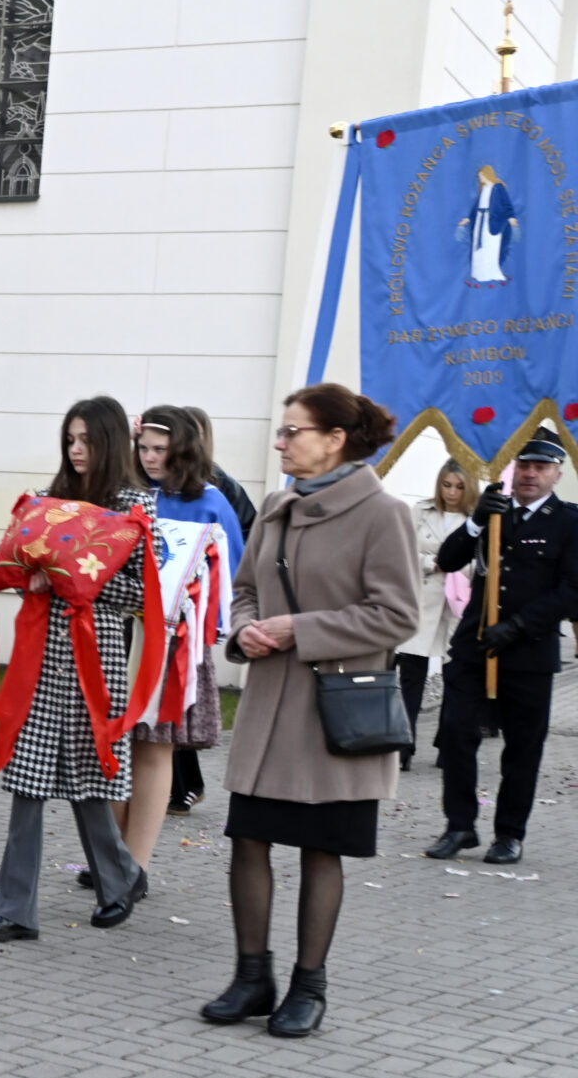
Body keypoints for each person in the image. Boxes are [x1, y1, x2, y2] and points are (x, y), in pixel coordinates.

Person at [200, 385, 417, 1037]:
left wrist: (300, 629)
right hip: (269, 710)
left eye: (293, 431)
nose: (281, 442)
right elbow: (244, 589)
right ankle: (251, 977)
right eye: (282, 430)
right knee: (249, 838)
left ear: (336, 439)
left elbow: (396, 614)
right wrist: (245, 630)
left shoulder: (383, 514)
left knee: (323, 849)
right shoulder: (276, 505)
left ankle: (308, 986)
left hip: (336, 713)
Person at [0, 396, 152, 943]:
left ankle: (119, 880)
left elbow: (142, 591)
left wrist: (76, 583)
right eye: (70, 439)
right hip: (41, 654)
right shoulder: (49, 499)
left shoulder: (135, 506)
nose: (75, 450)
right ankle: (14, 911)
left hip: (95, 658)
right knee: (26, 780)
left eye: (86, 440)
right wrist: (31, 579)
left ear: (109, 442)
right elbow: (19, 563)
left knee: (88, 780)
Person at [425, 427, 578, 865]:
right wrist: (475, 521)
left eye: (540, 466)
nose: (530, 473)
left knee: (522, 748)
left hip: (529, 652)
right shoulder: (492, 511)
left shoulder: (569, 522)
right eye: (524, 465)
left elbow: (572, 590)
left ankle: (509, 833)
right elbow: (449, 560)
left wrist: (518, 626)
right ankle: (459, 826)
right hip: (475, 647)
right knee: (456, 737)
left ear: (557, 473)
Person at [116, 406, 243, 876]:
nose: (149, 457)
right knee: (112, 747)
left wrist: (209, 624)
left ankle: (134, 864)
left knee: (154, 747)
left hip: (175, 643)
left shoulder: (212, 502)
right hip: (118, 634)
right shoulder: (127, 495)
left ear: (184, 450)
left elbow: (232, 574)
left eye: (160, 449)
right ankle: (110, 853)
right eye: (143, 448)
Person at [168, 405, 254, 814]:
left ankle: (184, 784)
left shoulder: (219, 489)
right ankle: (182, 783)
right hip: (160, 610)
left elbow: (246, 533)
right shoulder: (156, 486)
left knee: (180, 695)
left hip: (195, 608)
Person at [400, 459, 476, 768]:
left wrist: (458, 565)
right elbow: (402, 550)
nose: (452, 493)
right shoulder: (421, 511)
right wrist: (432, 563)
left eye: (459, 487)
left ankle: (448, 743)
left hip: (459, 604)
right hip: (423, 599)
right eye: (446, 485)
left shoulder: (478, 518)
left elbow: (485, 561)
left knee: (454, 676)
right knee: (411, 675)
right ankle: (403, 745)